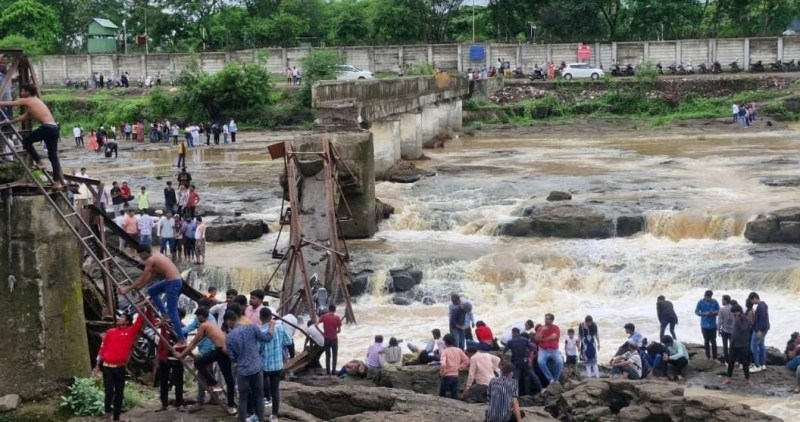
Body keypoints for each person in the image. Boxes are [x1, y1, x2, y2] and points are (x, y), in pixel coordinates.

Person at [118, 245, 186, 344]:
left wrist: (127, 289)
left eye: (140, 255)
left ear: (144, 253)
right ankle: (165, 314)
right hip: (173, 281)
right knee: (152, 291)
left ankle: (182, 340)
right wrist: (140, 286)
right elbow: (151, 275)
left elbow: (142, 278)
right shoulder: (156, 256)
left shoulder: (150, 260)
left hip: (172, 283)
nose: (140, 257)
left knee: (173, 312)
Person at [0, 84, 64, 189]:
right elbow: (26, 116)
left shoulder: (28, 100)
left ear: (28, 92)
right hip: (54, 128)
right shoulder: (36, 101)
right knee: (53, 156)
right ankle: (57, 182)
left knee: (26, 141)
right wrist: (10, 121)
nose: (21, 93)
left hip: (47, 128)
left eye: (22, 91)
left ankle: (40, 162)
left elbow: (10, 103)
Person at [176, 307, 237, 415]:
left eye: (197, 317)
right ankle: (231, 405)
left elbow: (193, 342)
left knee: (198, 363)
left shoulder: (204, 325)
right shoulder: (212, 323)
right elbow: (198, 341)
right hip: (224, 350)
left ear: (201, 316)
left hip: (219, 351)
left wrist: (181, 354)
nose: (197, 319)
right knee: (229, 379)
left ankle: (214, 383)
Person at [94, 309, 146, 422]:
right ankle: (107, 416)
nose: (119, 318)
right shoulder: (110, 332)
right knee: (109, 392)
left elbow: (139, 322)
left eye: (122, 317)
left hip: (120, 368)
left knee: (119, 393)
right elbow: (103, 347)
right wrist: (97, 364)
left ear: (127, 321)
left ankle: (116, 418)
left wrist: (143, 307)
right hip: (107, 367)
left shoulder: (130, 332)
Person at [225, 309, 273, 422]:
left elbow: (232, 357)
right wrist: (271, 327)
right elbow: (267, 339)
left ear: (228, 321)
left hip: (242, 371)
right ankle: (260, 419)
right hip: (256, 367)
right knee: (259, 396)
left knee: (243, 399)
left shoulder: (229, 336)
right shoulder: (251, 327)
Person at [259, 307, 292, 419]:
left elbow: (258, 348)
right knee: (275, 390)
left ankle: (261, 409)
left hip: (264, 365)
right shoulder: (279, 327)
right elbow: (288, 341)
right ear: (271, 317)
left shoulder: (260, 331)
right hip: (278, 364)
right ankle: (274, 415)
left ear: (260, 318)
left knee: (261, 387)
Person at [156, 310, 186, 412]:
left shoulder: (183, 327)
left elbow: (184, 343)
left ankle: (179, 403)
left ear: (181, 317)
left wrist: (181, 353)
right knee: (163, 381)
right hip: (164, 357)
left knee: (178, 382)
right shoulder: (166, 325)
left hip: (177, 358)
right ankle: (164, 403)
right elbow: (155, 324)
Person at [722, 303, 753, 386]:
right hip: (734, 343)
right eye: (732, 313)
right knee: (731, 361)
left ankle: (747, 379)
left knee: (745, 363)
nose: (733, 314)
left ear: (739, 311)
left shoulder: (746, 319)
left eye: (734, 313)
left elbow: (743, 330)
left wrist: (738, 320)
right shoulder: (734, 318)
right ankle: (728, 378)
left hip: (743, 344)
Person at [504, 327, 541, 395]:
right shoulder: (525, 340)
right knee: (533, 376)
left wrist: (504, 359)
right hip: (525, 361)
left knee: (516, 379)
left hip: (516, 362)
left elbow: (504, 351)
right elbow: (533, 347)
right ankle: (541, 388)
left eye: (512, 333)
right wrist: (530, 357)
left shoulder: (510, 341)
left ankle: (514, 394)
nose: (512, 335)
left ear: (514, 333)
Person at [439, 334, 470, 399]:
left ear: (445, 342)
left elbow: (443, 364)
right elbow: (467, 361)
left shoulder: (445, 351)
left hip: (446, 376)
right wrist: (459, 367)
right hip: (455, 375)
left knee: (441, 396)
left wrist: (441, 372)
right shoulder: (458, 350)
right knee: (454, 395)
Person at [535, 313, 563, 386]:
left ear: (552, 320)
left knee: (560, 362)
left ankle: (556, 380)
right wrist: (542, 331)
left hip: (554, 350)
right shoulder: (541, 328)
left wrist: (542, 339)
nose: (546, 320)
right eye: (545, 318)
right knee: (540, 362)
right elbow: (537, 339)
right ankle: (550, 379)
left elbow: (553, 337)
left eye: (548, 319)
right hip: (543, 350)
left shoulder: (556, 328)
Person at [315, 304, 342, 376]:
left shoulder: (324, 316)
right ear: (335, 310)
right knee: (334, 355)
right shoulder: (337, 318)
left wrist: (322, 332)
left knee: (327, 355)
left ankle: (328, 371)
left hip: (326, 338)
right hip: (334, 339)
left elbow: (316, 325)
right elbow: (339, 330)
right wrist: (335, 332)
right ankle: (333, 371)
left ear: (328, 310)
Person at [695, 290, 720, 360]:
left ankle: (715, 357)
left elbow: (719, 311)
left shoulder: (715, 301)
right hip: (704, 325)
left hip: (713, 325)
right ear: (705, 296)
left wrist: (714, 312)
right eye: (708, 297)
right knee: (706, 341)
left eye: (710, 297)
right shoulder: (700, 302)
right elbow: (696, 312)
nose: (709, 298)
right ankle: (707, 356)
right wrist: (704, 314)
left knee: (713, 341)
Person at [748, 291, 770, 372]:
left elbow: (761, 320)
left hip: (760, 329)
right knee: (761, 345)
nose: (751, 302)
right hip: (765, 328)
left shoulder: (761, 306)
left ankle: (757, 365)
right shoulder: (763, 305)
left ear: (755, 298)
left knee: (753, 346)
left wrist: (759, 330)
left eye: (751, 300)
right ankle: (762, 364)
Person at [718, 295, 735, 362]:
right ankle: (732, 359)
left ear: (725, 301)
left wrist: (718, 330)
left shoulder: (722, 309)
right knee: (732, 346)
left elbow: (719, 321)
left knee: (725, 346)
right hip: (733, 330)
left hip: (724, 330)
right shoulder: (734, 308)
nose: (722, 301)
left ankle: (727, 360)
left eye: (722, 300)